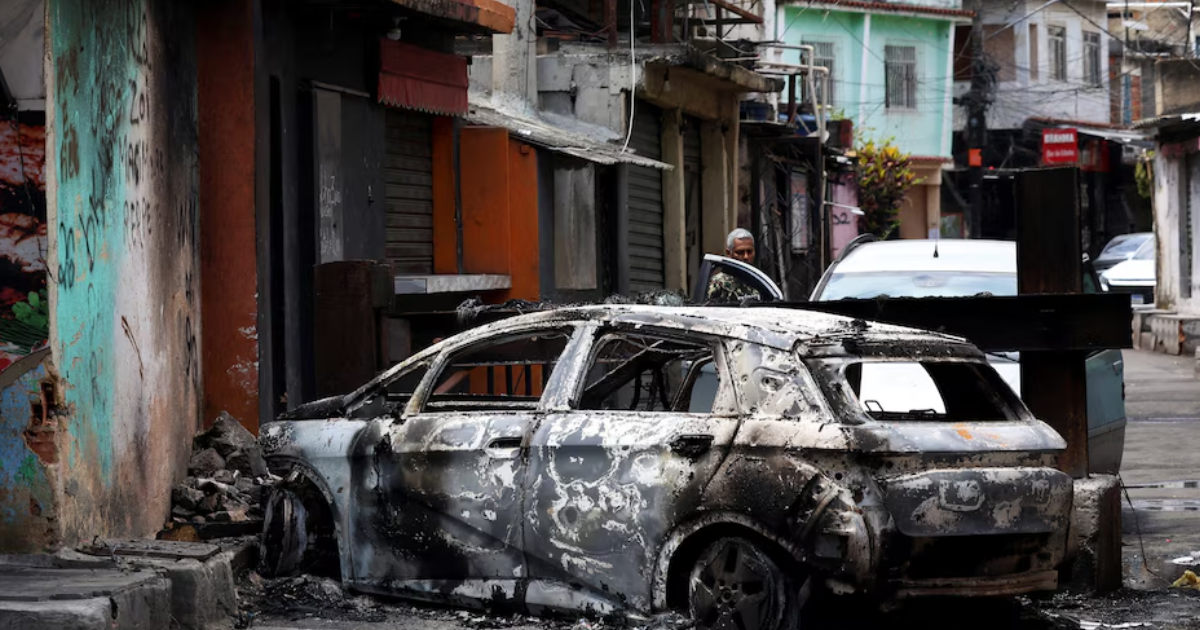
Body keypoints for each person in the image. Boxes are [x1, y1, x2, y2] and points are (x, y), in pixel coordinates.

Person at [705, 228, 763, 304]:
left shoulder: (760, 279)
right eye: (740, 252)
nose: (746, 257)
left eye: (749, 252)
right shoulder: (719, 283)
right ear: (729, 253)